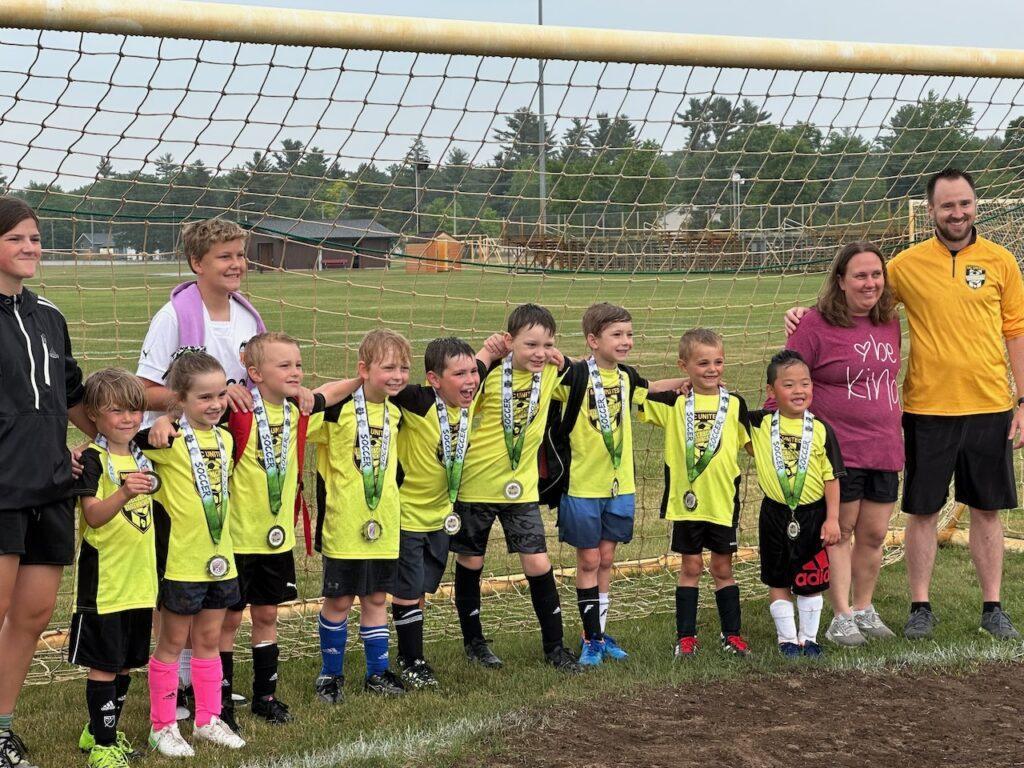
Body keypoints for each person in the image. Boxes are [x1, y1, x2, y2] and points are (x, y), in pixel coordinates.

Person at [786, 168, 1024, 640]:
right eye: (947, 205)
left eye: (964, 204)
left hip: (990, 406)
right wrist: (802, 314)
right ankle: (920, 606)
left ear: (977, 206)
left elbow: (1015, 330)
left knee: (987, 511)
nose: (956, 213)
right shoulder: (906, 265)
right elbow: (859, 295)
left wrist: (1022, 399)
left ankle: (993, 607)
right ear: (930, 210)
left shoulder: (1002, 261)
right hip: (926, 408)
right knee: (922, 511)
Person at [0, 197, 92, 768]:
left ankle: (1, 726)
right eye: (16, 239)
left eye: (34, 238)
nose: (30, 247)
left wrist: (119, 440)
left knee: (32, 616)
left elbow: (73, 397)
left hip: (53, 484)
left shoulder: (48, 315)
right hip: (2, 488)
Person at [775, 242, 902, 647]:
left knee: (875, 534)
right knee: (840, 531)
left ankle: (864, 607)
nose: (870, 283)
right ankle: (841, 614)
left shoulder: (890, 322)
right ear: (841, 281)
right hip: (839, 451)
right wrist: (771, 424)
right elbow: (789, 374)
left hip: (884, 446)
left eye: (876, 274)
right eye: (860, 275)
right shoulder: (814, 324)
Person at [450, 304, 582, 673]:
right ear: (509, 342)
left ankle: (555, 647)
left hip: (522, 491)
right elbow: (459, 390)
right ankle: (474, 642)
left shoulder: (552, 373)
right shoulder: (489, 376)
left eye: (547, 344)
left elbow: (587, 376)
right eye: (530, 344)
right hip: (477, 486)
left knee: (538, 563)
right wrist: (484, 355)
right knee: (471, 561)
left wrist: (564, 358)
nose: (539, 352)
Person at [554, 303, 684, 665]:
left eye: (628, 334)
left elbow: (651, 388)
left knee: (607, 558)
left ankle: (598, 633)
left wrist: (685, 383)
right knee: (589, 559)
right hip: (582, 485)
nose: (625, 341)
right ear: (593, 340)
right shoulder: (575, 376)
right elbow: (549, 370)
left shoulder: (627, 378)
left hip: (620, 486)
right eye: (617, 335)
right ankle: (591, 638)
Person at [142, 351, 245, 756]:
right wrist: (161, 421)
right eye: (203, 397)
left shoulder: (225, 437)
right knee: (171, 642)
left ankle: (207, 719)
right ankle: (163, 725)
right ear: (179, 399)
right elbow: (119, 436)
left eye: (220, 394)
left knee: (209, 639)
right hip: (182, 562)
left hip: (220, 558)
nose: (216, 403)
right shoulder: (166, 439)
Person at [638, 328, 751, 659]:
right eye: (702, 363)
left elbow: (750, 445)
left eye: (718, 362)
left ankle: (732, 635)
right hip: (685, 506)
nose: (712, 369)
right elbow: (637, 394)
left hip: (722, 503)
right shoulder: (674, 402)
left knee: (723, 569)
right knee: (690, 568)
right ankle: (685, 638)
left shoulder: (735, 404)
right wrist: (677, 383)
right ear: (684, 364)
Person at [311, 329, 411, 704]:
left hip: (384, 525)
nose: (398, 375)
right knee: (338, 602)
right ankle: (330, 675)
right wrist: (349, 385)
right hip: (343, 525)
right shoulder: (337, 411)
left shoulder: (396, 413)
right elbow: (306, 412)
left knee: (376, 599)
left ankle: (377, 672)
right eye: (388, 367)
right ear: (364, 369)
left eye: (404, 367)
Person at [71, 369, 159, 768]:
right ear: (93, 414)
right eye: (116, 411)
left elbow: (177, 411)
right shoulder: (92, 458)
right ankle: (103, 746)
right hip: (105, 581)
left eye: (135, 410)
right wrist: (124, 491)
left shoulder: (140, 453)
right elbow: (92, 516)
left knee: (126, 662)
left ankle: (100, 730)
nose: (128, 418)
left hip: (139, 580)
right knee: (104, 664)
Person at [747, 350, 843, 658]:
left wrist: (833, 520)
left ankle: (809, 638)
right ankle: (787, 639)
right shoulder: (759, 424)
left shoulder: (821, 430)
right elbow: (724, 409)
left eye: (805, 383)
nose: (798, 391)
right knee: (777, 576)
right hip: (774, 513)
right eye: (788, 385)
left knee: (810, 578)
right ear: (771, 391)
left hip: (813, 514)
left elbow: (832, 478)